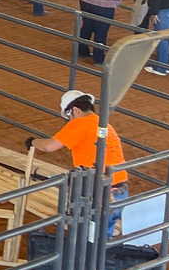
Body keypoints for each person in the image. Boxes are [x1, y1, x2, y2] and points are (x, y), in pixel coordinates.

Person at [27, 91, 128, 233]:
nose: (69, 120)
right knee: (102, 241)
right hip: (120, 192)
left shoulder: (80, 123)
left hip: (99, 194)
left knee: (85, 241)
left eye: (69, 115)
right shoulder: (105, 125)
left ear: (75, 110)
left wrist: (32, 142)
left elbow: (49, 146)